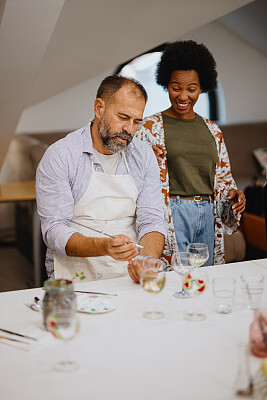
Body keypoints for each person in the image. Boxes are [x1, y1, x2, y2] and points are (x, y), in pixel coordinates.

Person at [36, 75, 166, 283]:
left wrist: (147, 262)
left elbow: (152, 219)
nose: (130, 130)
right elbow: (54, 230)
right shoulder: (61, 155)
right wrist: (104, 246)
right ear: (99, 108)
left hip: (130, 275)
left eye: (136, 122)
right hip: (74, 277)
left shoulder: (143, 155)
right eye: (123, 117)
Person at [135, 40, 246, 266]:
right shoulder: (148, 128)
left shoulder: (213, 131)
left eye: (191, 89)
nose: (183, 96)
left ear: (202, 87)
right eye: (176, 87)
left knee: (204, 280)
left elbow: (223, 179)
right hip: (172, 214)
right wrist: (146, 158)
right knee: (174, 279)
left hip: (208, 214)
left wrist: (235, 196)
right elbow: (129, 172)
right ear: (166, 84)